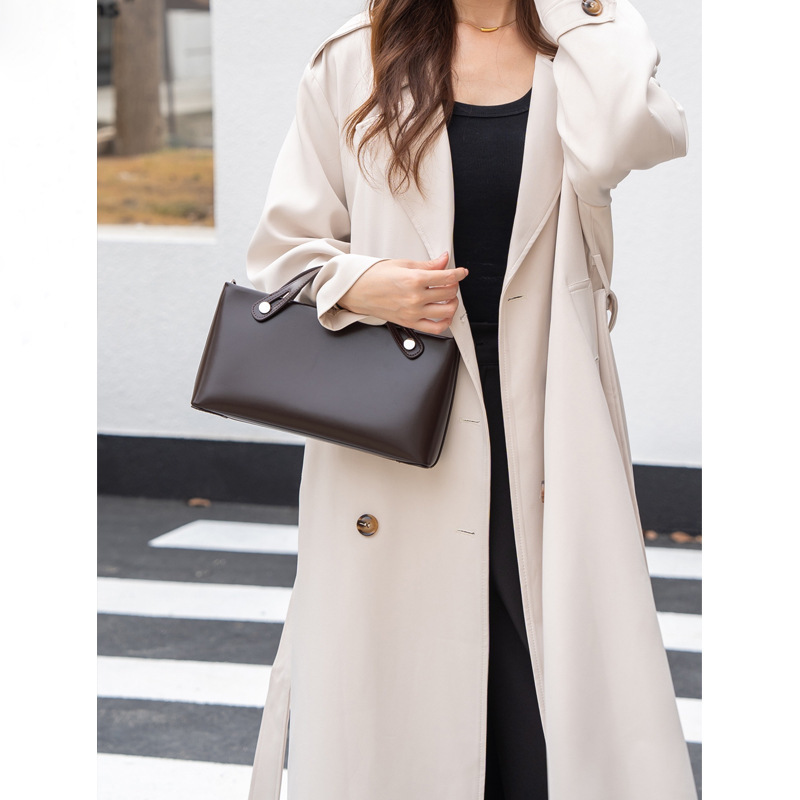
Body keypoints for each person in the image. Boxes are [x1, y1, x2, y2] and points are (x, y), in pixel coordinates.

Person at [245, 1, 696, 799]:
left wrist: (580, 11)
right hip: (401, 428)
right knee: (413, 718)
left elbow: (624, 138)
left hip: (550, 421)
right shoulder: (358, 56)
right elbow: (280, 256)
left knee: (552, 718)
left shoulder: (579, 47)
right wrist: (363, 282)